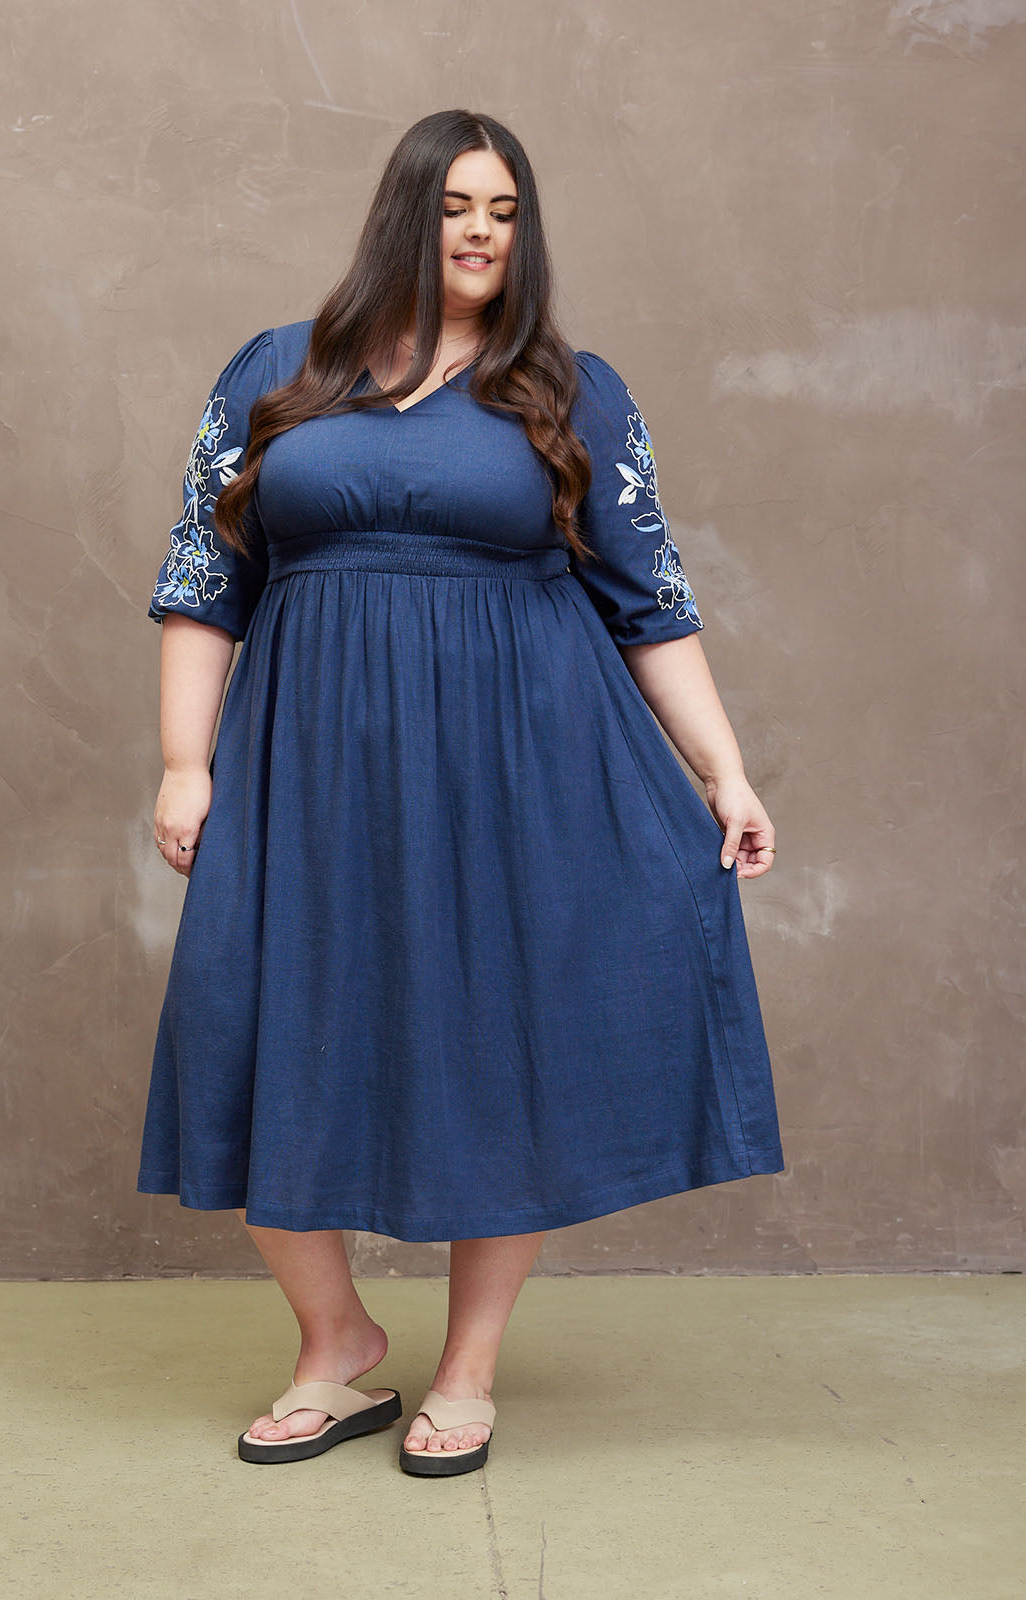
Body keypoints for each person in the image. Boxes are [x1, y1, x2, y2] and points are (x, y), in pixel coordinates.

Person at [137, 108, 785, 1477]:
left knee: (505, 1046)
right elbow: (207, 579)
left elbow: (650, 602)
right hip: (305, 770)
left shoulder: (569, 390)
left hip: (520, 765)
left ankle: (471, 1368)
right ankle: (337, 1344)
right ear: (405, 218)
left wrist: (725, 776)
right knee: (252, 1021)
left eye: (505, 209)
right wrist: (186, 763)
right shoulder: (277, 370)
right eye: (456, 207)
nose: (484, 230)